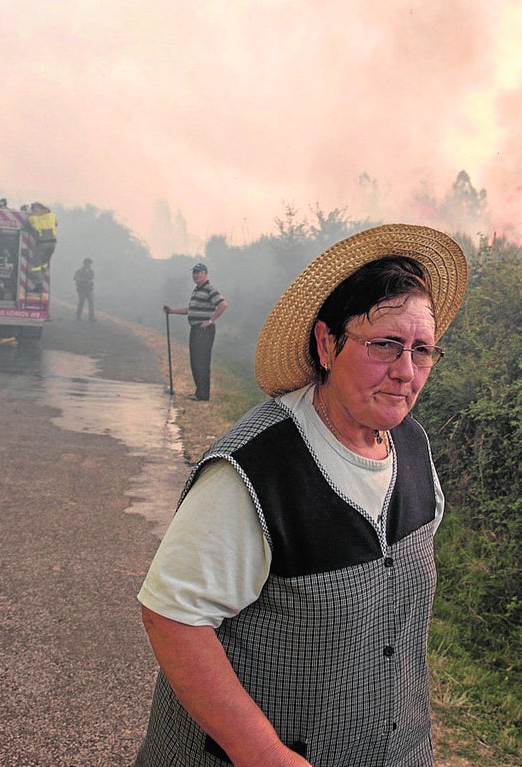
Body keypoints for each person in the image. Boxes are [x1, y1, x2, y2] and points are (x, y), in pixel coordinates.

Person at [134, 224, 468, 767]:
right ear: (326, 343)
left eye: (422, 350)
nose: (406, 371)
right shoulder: (255, 469)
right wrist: (262, 751)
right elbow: (173, 617)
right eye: (384, 344)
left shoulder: (413, 447)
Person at [163, 263, 228, 401]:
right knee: (195, 361)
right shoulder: (197, 290)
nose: (196, 275)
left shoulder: (210, 288)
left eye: (199, 273)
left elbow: (223, 304)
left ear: (205, 274)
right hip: (195, 329)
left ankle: (203, 395)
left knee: (201, 362)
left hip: (204, 330)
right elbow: (190, 310)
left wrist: (211, 320)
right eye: (194, 273)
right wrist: (172, 311)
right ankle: (199, 392)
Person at [27, 201, 58, 271]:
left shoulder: (32, 218)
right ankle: (43, 276)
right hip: (53, 243)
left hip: (42, 243)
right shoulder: (51, 215)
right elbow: (55, 224)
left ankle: (38, 281)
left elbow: (25, 228)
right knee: (44, 262)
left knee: (36, 264)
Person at [73, 257, 96, 321]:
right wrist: (85, 281)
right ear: (84, 263)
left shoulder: (91, 271)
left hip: (89, 290)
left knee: (91, 303)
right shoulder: (79, 271)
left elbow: (93, 278)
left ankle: (92, 317)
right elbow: (75, 278)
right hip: (81, 290)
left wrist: (91, 282)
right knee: (81, 303)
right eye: (87, 263)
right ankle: (78, 316)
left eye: (90, 263)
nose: (89, 264)